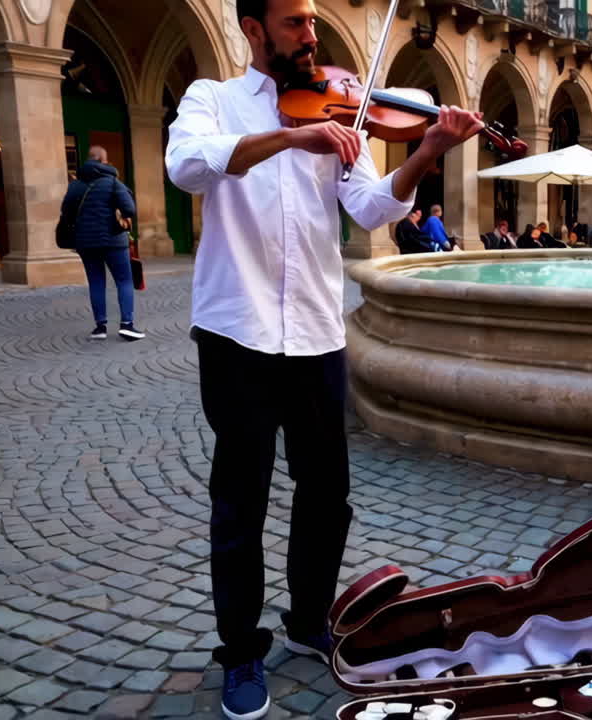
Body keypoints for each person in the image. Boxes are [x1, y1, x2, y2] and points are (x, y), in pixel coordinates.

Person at [163, 1, 484, 717]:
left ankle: (308, 621)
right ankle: (241, 652)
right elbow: (186, 167)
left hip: (315, 331)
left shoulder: (344, 112)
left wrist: (427, 152)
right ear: (252, 30)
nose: (312, 35)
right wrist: (288, 137)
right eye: (293, 24)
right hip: (236, 330)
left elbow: (371, 207)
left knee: (326, 492)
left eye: (313, 22)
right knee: (240, 500)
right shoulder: (211, 100)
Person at [61, 145, 143, 341]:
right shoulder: (113, 182)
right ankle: (127, 325)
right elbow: (129, 209)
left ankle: (100, 328)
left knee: (96, 282)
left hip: (86, 242)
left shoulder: (75, 185)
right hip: (114, 240)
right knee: (124, 280)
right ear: (104, 161)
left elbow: (67, 212)